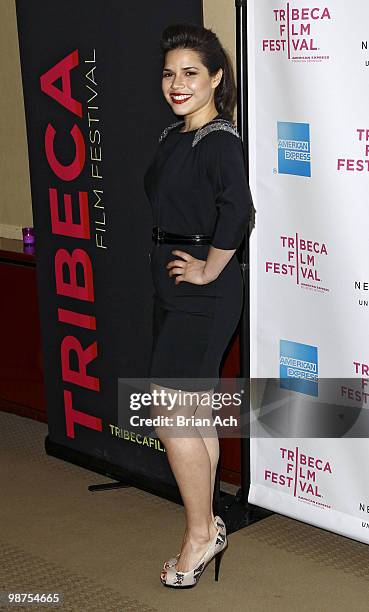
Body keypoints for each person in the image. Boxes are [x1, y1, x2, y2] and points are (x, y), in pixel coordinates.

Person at [143, 23, 254, 588]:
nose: (177, 83)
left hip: (204, 294)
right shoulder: (174, 136)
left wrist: (209, 266)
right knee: (193, 413)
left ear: (216, 78)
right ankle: (207, 524)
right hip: (175, 286)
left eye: (191, 73)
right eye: (169, 73)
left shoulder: (220, 142)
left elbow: (238, 211)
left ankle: (198, 536)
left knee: (170, 411)